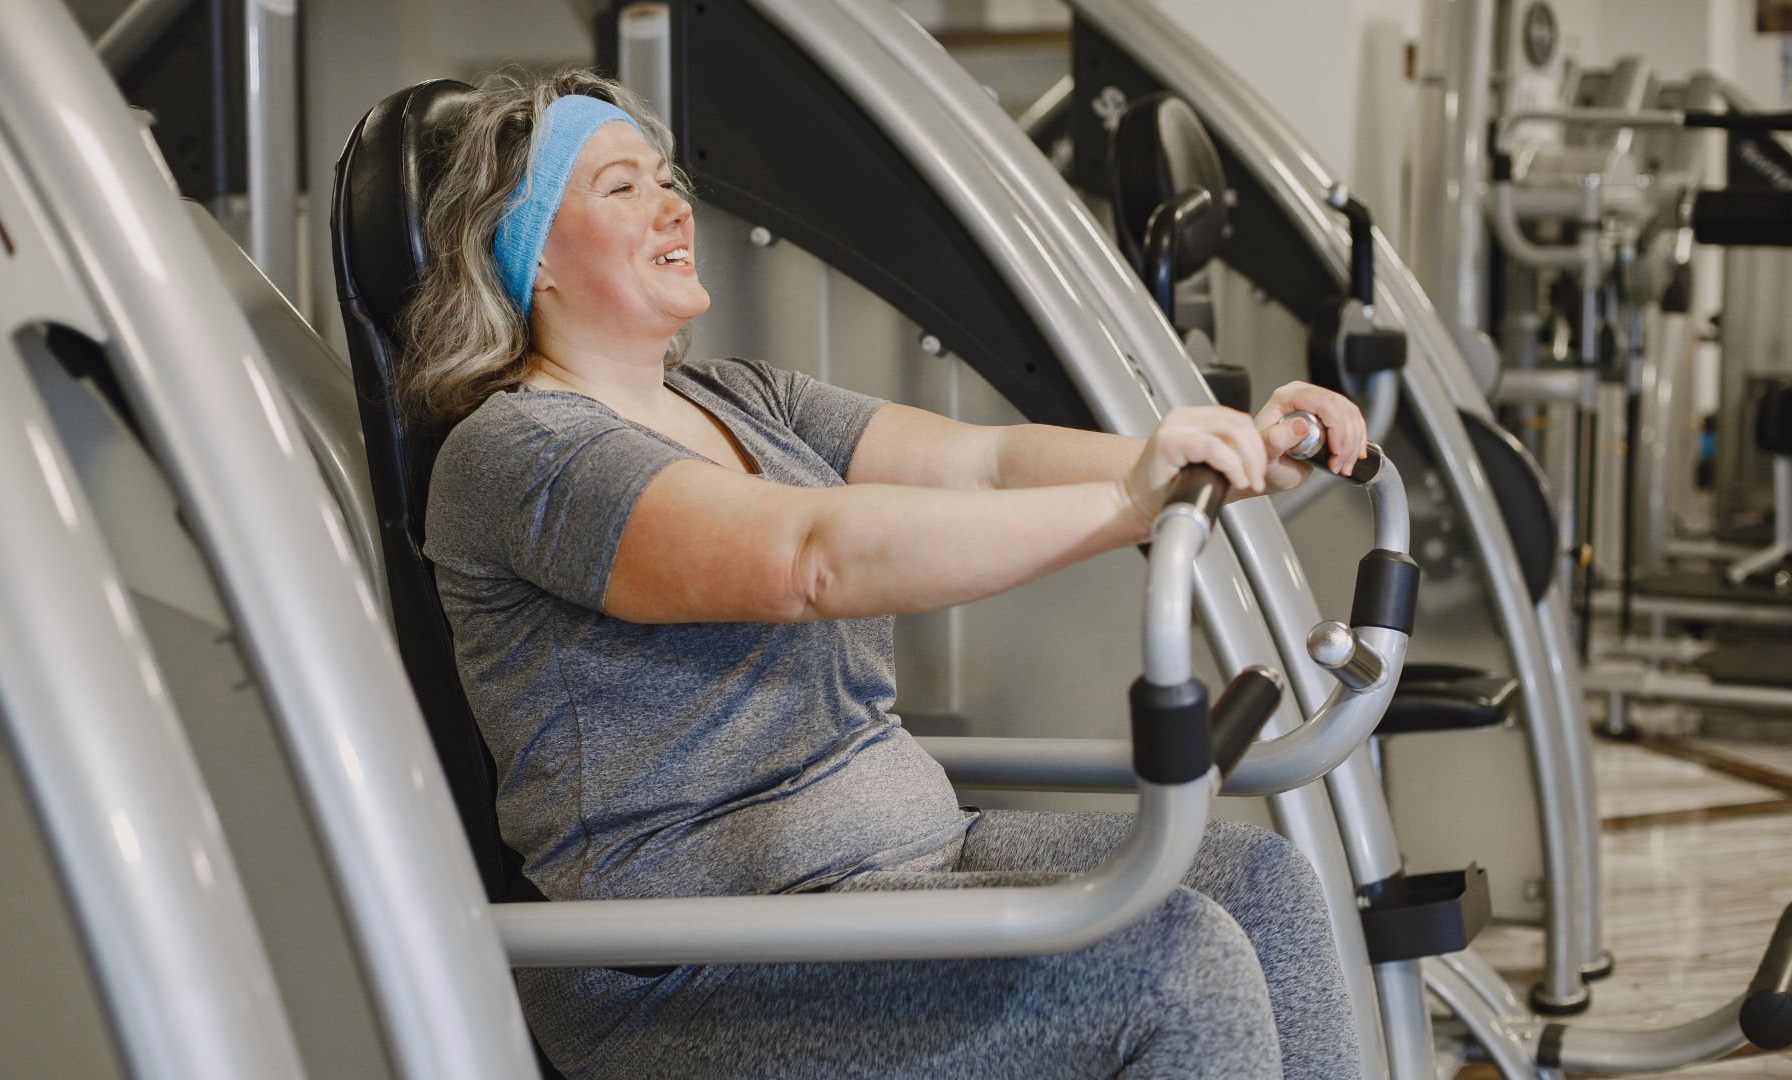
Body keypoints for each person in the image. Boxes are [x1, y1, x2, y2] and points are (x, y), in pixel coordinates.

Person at [403, 68, 1370, 1079]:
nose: (671, 201)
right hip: (701, 964)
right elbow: (805, 560)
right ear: (530, 255)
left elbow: (983, 462)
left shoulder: (740, 398)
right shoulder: (517, 454)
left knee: (1261, 885)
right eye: (620, 187)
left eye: (666, 178)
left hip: (900, 865)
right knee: (1175, 968)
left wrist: (1229, 457)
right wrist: (1131, 501)